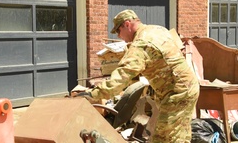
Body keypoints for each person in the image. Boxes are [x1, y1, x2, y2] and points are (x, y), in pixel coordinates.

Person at [76, 9, 200, 142]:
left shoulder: (141, 44)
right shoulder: (157, 29)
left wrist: (93, 94)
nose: (118, 36)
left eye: (118, 31)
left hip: (177, 94)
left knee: (163, 137)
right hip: (188, 87)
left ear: (127, 24)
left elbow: (122, 76)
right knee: (180, 134)